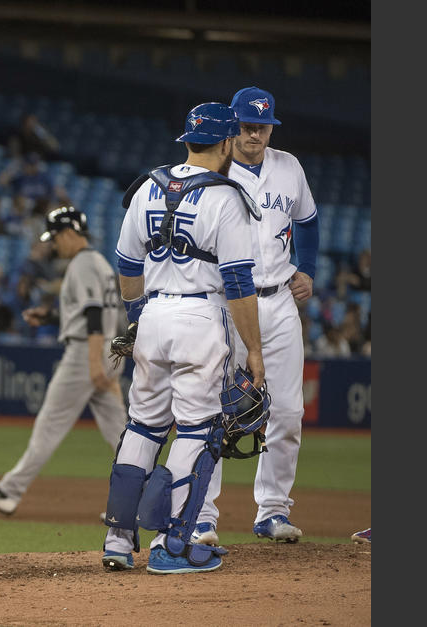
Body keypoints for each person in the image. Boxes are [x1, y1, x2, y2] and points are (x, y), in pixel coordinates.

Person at [100, 102, 265, 574]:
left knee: (143, 425)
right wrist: (254, 350)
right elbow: (237, 283)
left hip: (153, 315)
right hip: (200, 316)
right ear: (227, 142)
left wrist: (138, 318)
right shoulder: (227, 197)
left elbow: (128, 269)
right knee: (197, 429)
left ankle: (117, 538)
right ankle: (173, 546)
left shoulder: (147, 187)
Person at [192, 87, 319, 547]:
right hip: (226, 302)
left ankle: (272, 511)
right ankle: (201, 516)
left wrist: (309, 269)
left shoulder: (289, 167)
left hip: (280, 299)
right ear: (233, 125)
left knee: (288, 410)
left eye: (262, 126)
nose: (254, 134)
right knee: (213, 408)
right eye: (247, 125)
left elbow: (308, 220)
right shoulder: (214, 169)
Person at [0, 206, 128, 515]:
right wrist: (53, 315)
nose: (53, 245)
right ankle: (139, 498)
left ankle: (9, 491)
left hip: (87, 351)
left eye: (55, 237)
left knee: (50, 423)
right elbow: (94, 313)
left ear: (69, 233)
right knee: (118, 430)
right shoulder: (99, 262)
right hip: (108, 347)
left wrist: (94, 362)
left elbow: (94, 314)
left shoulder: (83, 264)